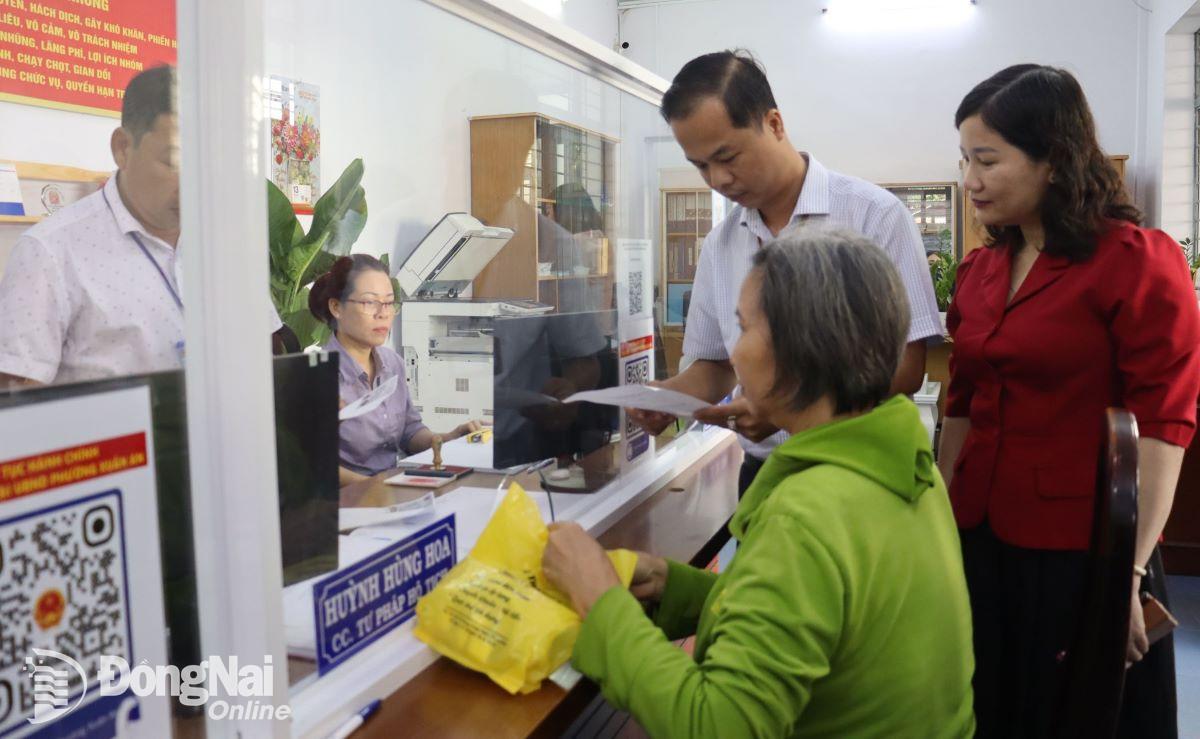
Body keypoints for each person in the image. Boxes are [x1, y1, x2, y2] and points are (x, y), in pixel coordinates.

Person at [541, 231, 975, 737]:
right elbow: (819, 616)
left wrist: (600, 603)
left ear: (796, 350)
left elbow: (717, 725)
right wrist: (680, 588)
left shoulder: (806, 517)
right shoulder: (902, 466)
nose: (734, 350)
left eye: (744, 328)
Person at [940, 64, 1200, 738]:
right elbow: (961, 407)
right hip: (982, 536)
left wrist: (1128, 572)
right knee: (992, 703)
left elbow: (1163, 427)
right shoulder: (980, 269)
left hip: (1086, 549)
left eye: (988, 160)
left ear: (1054, 158)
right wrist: (939, 523)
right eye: (965, 158)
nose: (970, 180)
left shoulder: (1136, 261)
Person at [628, 50, 942, 493]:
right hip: (765, 475)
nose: (717, 179)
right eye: (700, 165)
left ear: (774, 124)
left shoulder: (872, 215)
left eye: (727, 156)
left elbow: (907, 367)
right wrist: (670, 397)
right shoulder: (722, 243)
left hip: (858, 472)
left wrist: (783, 407)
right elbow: (716, 364)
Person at [0, 65, 281, 388]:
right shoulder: (49, 254)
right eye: (175, 162)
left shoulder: (227, 245)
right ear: (123, 148)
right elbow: (18, 404)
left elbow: (265, 358)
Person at [308, 254, 480, 486]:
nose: (383, 313)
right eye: (370, 302)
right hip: (349, 501)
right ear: (337, 307)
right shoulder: (318, 376)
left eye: (389, 303)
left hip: (394, 486)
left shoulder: (392, 363)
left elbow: (410, 431)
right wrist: (374, 488)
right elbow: (315, 464)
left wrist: (449, 438)